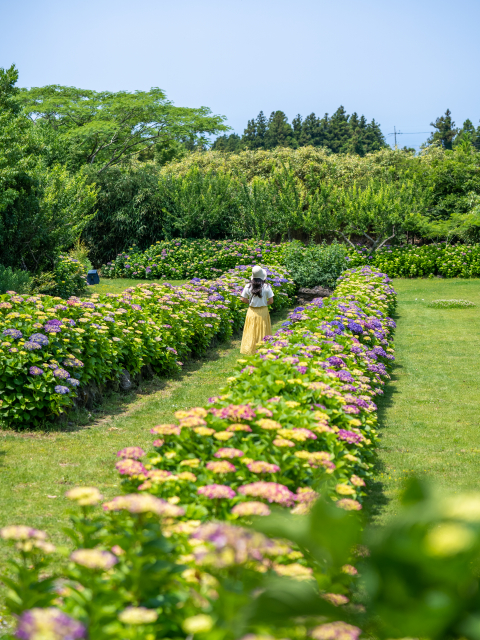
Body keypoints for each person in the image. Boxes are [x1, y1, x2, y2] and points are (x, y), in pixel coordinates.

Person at [239, 265, 274, 355]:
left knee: (251, 329)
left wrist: (250, 302)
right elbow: (271, 301)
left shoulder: (247, 286)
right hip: (263, 311)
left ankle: (250, 349)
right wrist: (263, 303)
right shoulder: (266, 286)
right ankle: (263, 348)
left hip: (252, 311)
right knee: (263, 329)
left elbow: (242, 299)